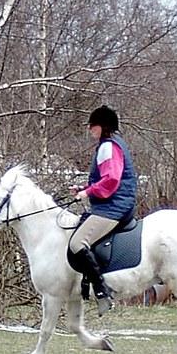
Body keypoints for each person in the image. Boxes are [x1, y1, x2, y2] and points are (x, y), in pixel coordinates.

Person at [68, 105, 137, 315]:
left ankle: (102, 291)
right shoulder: (113, 144)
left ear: (102, 126)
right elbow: (106, 180)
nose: (90, 129)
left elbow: (112, 180)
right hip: (115, 204)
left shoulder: (108, 146)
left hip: (114, 207)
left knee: (76, 243)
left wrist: (87, 193)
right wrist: (84, 188)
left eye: (92, 125)